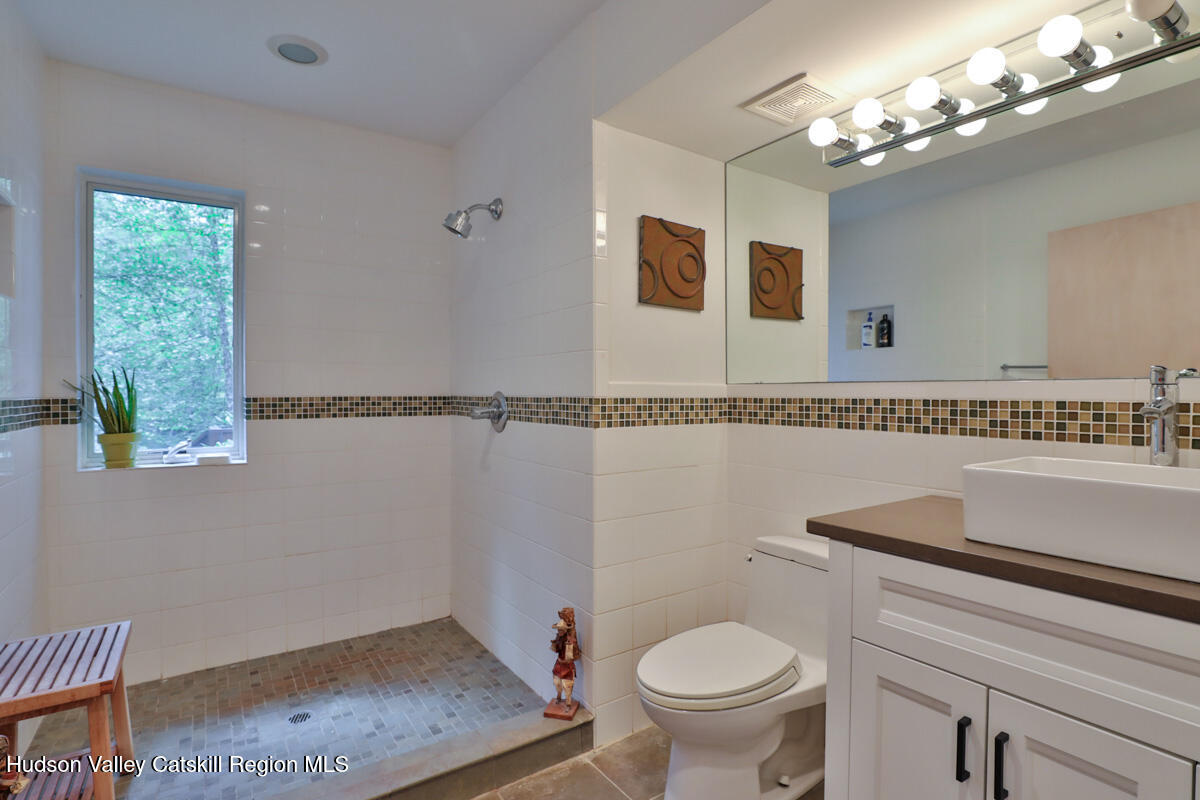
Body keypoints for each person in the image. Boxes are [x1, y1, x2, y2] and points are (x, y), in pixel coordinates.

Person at [550, 607, 581, 709]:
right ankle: (558, 697)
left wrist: (570, 645)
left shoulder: (570, 639)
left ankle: (568, 703)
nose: (559, 631)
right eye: (558, 630)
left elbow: (570, 655)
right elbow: (555, 649)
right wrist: (554, 644)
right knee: (557, 682)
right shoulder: (558, 638)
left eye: (561, 630)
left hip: (567, 665)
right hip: (559, 663)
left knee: (567, 685)